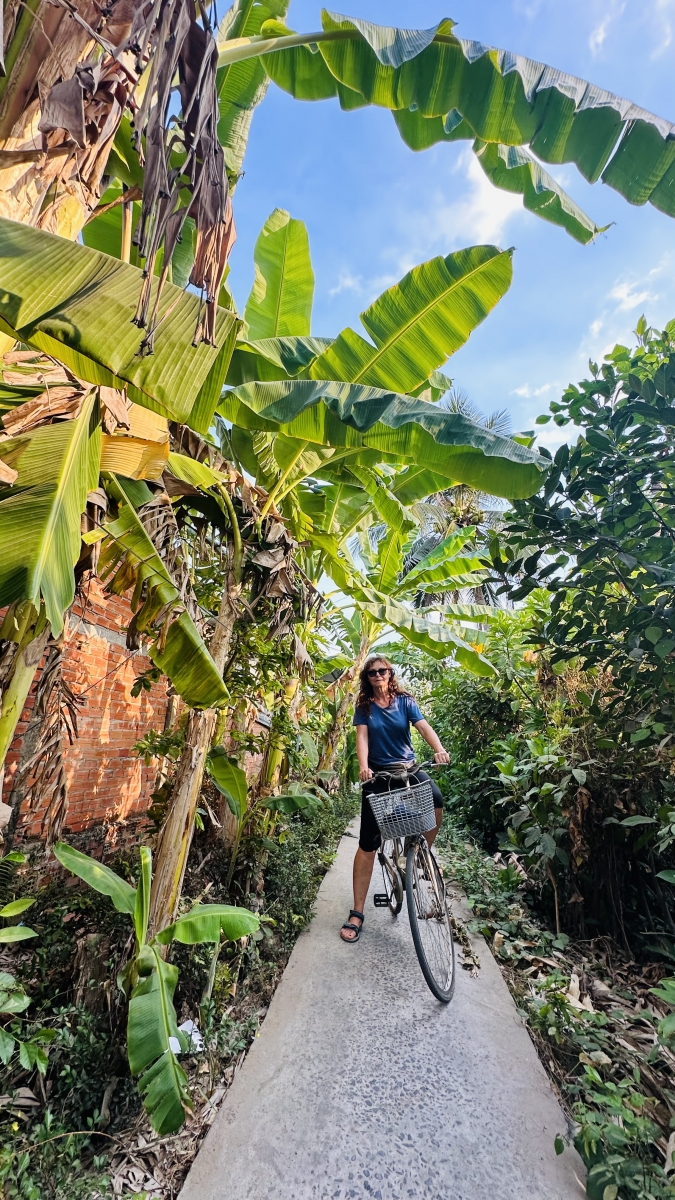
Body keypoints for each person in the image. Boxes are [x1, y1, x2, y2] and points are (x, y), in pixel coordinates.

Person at [340, 655, 450, 943]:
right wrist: (364, 766)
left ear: (390, 674)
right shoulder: (364, 707)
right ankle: (357, 911)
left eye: (383, 671)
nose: (378, 675)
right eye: (372, 672)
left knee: (436, 801)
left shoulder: (405, 701)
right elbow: (361, 738)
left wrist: (438, 748)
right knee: (368, 843)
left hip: (408, 768)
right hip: (378, 775)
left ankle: (421, 854)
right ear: (367, 678)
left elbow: (423, 727)